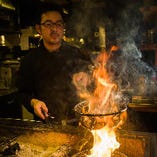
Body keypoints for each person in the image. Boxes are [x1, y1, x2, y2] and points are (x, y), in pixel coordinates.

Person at [17, 4, 91, 122]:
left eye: (58, 24)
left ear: (63, 27)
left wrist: (88, 77)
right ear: (38, 29)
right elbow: (22, 94)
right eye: (48, 24)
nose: (54, 29)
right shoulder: (29, 60)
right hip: (46, 124)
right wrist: (34, 102)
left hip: (79, 122)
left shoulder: (78, 54)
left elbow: (96, 81)